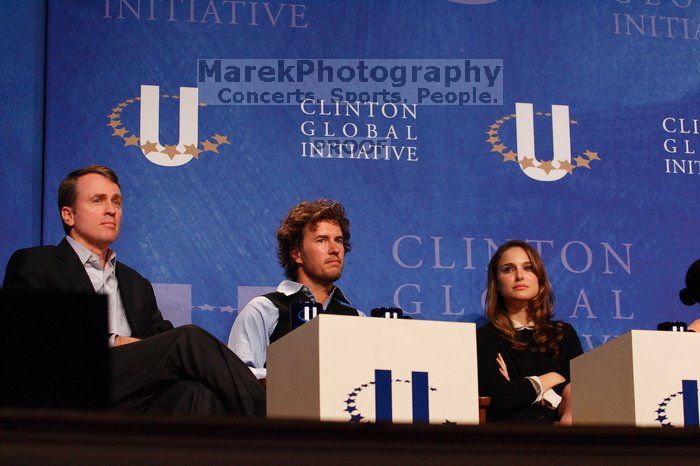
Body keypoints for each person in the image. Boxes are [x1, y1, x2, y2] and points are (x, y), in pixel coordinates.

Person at [3, 165, 266, 417]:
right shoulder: (38, 262)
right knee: (188, 340)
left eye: (116, 202)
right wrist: (114, 341)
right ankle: (273, 424)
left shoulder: (135, 283)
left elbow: (162, 343)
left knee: (198, 393)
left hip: (132, 397)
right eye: (98, 200)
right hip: (68, 384)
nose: (111, 210)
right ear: (68, 214)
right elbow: (27, 338)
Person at [229, 199, 361, 379]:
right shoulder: (263, 310)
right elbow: (241, 379)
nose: (335, 249)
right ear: (297, 254)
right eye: (322, 240)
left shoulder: (358, 319)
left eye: (338, 240)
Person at [476, 240, 583, 424]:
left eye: (528, 268)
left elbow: (582, 395)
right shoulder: (485, 338)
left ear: (539, 278)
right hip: (511, 441)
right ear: (497, 283)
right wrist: (549, 379)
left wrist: (522, 388)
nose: (519, 276)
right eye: (508, 269)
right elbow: (501, 399)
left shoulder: (564, 334)